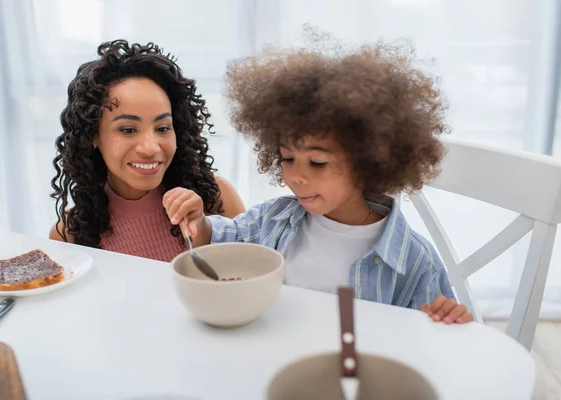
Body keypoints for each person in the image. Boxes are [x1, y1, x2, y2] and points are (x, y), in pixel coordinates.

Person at [163, 41, 472, 324]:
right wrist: (197, 221)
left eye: (317, 162)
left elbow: (431, 339)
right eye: (287, 158)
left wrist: (447, 321)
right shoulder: (274, 219)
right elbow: (222, 240)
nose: (297, 175)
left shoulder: (412, 259)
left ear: (368, 161)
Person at [49, 40, 245, 262]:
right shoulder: (69, 234)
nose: (150, 148)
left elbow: (255, 282)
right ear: (93, 135)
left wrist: (205, 230)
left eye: (162, 128)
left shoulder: (217, 198)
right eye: (128, 129)